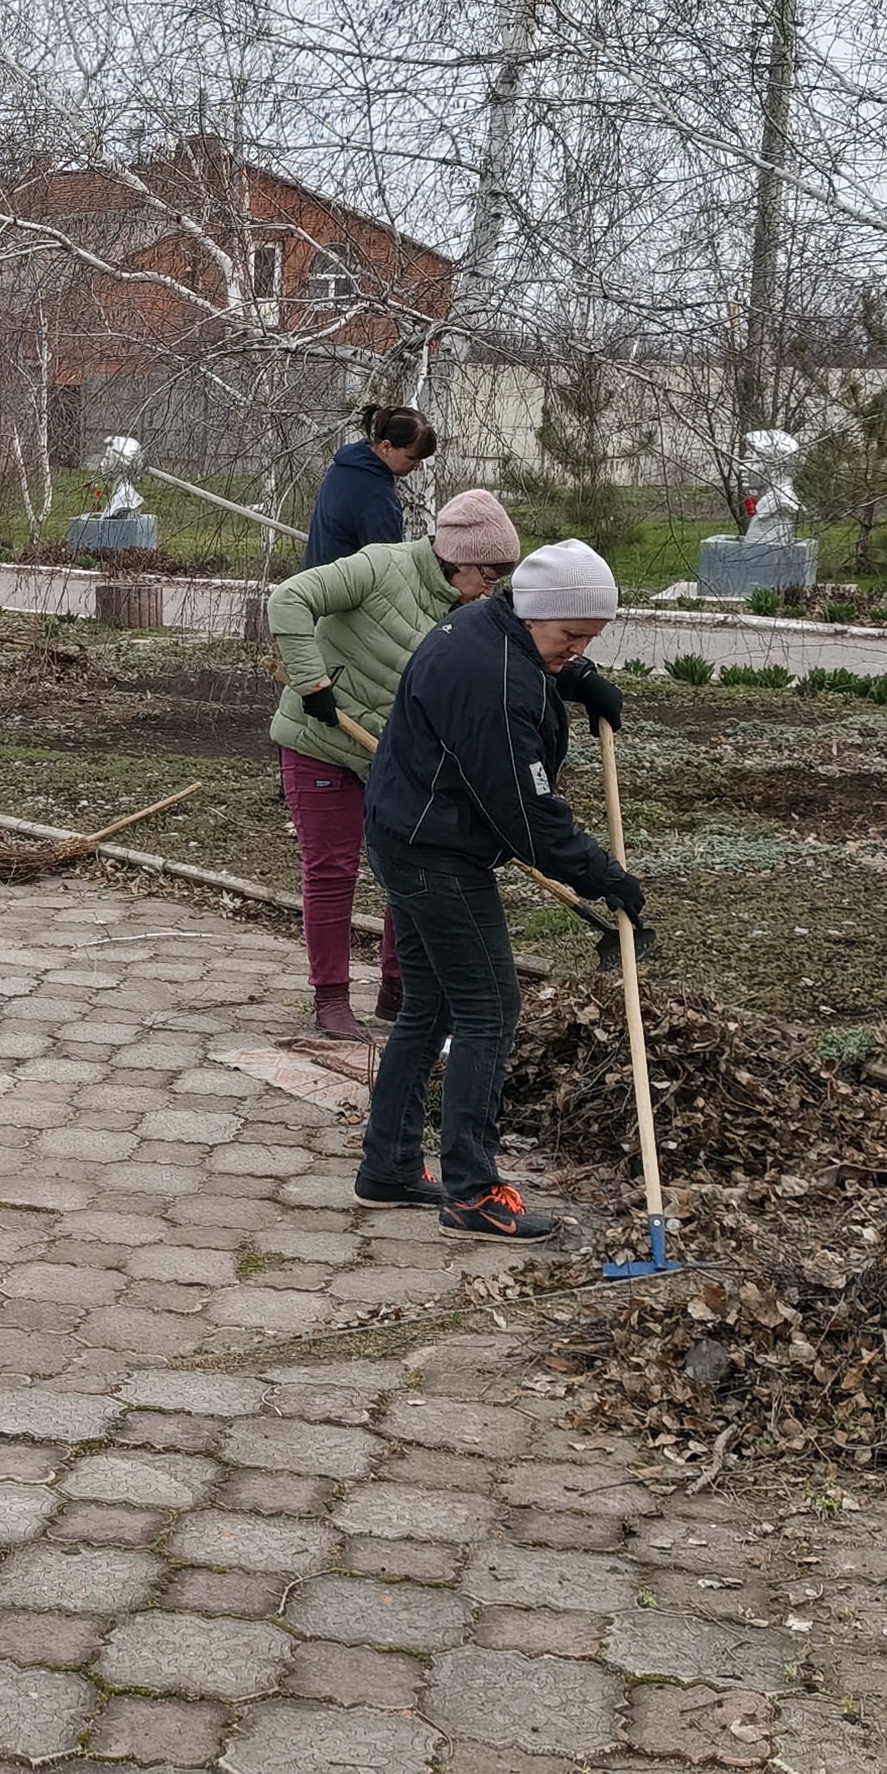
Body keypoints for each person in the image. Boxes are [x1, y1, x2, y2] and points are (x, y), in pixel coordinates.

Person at [363, 538, 641, 1236]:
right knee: (490, 1007)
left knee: (429, 1005)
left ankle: (389, 1168)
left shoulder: (490, 626)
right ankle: (474, 1193)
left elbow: (529, 665)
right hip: (437, 853)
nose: (576, 647)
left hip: (408, 832)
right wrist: (599, 874)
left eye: (589, 640)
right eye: (570, 636)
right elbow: (526, 813)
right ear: (535, 610)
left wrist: (572, 679)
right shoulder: (496, 675)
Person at [266, 487, 525, 1044]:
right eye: (490, 572)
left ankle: (398, 989)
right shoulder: (380, 565)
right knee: (332, 871)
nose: (493, 586)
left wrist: (576, 678)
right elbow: (288, 599)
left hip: (391, 760)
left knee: (404, 871)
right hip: (322, 741)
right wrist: (313, 683)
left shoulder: (467, 609)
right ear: (458, 558)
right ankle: (331, 999)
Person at [298, 403, 441, 569]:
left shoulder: (344, 466)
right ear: (386, 447)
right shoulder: (376, 496)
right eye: (412, 458)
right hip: (340, 591)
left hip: (309, 580)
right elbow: (388, 569)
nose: (416, 466)